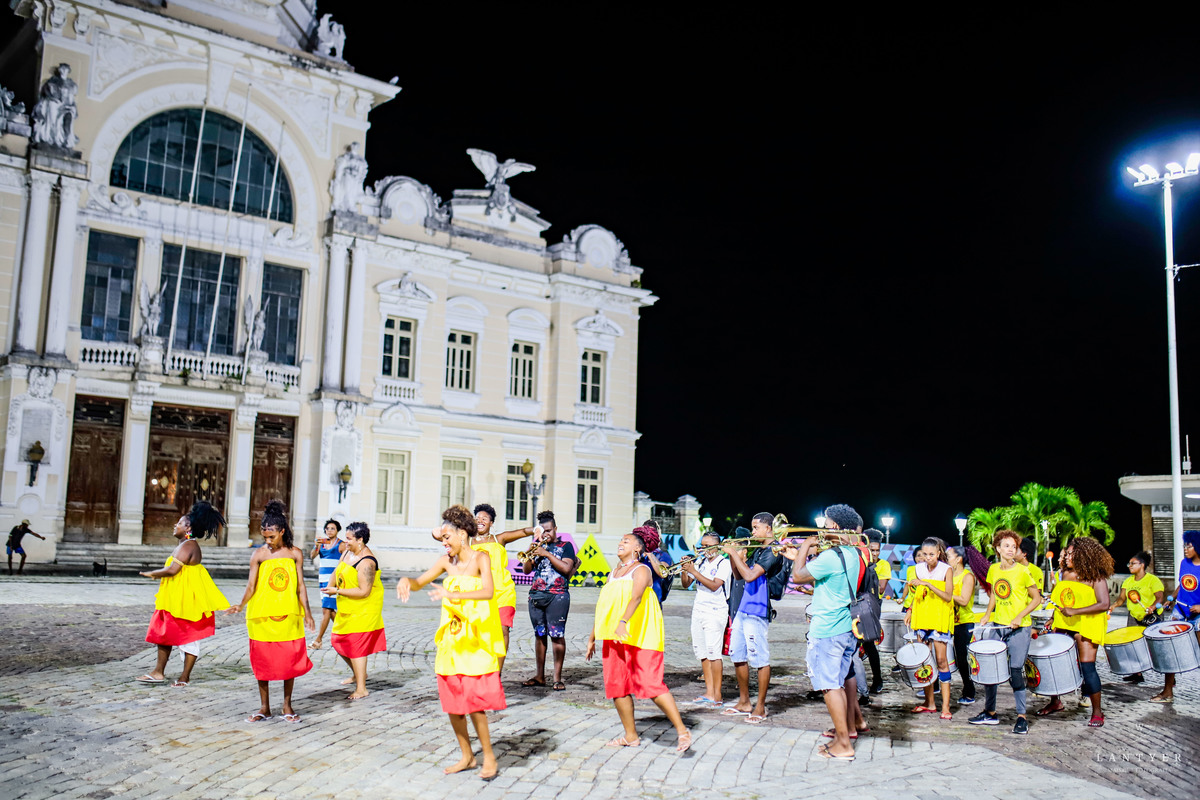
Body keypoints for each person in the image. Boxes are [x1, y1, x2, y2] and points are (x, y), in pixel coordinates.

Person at [397, 505, 505, 780]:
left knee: (474, 701)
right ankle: (467, 756)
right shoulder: (446, 562)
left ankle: (488, 755)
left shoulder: (480, 558)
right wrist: (405, 580)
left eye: (447, 538)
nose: (444, 544)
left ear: (461, 534)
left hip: (475, 641)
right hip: (452, 640)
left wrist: (453, 593)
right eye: (442, 540)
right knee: (454, 703)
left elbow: (489, 591)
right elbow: (420, 581)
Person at [586, 531, 690, 752]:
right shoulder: (613, 574)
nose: (620, 543)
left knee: (650, 684)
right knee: (617, 686)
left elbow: (637, 596)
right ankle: (630, 735)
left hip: (641, 635)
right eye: (620, 539)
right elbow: (604, 606)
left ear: (637, 549)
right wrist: (593, 636)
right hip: (614, 637)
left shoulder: (642, 569)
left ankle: (682, 731)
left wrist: (624, 620)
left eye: (626, 541)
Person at [788, 503, 868, 761]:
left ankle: (843, 744)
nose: (821, 527)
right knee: (838, 685)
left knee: (829, 687)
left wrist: (803, 548)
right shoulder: (852, 554)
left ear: (833, 526)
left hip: (828, 629)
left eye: (825, 523)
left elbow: (798, 576)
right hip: (844, 627)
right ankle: (842, 738)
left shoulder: (832, 556)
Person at [226, 500, 314, 723]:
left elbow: (300, 586)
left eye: (272, 536)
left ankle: (287, 705)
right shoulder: (258, 555)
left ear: (282, 531)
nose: (268, 541)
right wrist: (240, 604)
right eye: (264, 536)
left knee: (289, 661)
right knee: (263, 661)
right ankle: (264, 707)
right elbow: (251, 586)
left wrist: (308, 613)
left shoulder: (295, 553)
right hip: (262, 615)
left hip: (288, 614)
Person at [136, 502, 229, 686]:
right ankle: (158, 672)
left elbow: (172, 570)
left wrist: (153, 573)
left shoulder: (189, 546)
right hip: (175, 597)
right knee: (164, 634)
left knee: (189, 637)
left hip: (186, 600)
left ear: (188, 527)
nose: (175, 525)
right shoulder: (184, 545)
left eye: (179, 523)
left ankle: (184, 677)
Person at [969, 529, 1041, 734]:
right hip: (998, 626)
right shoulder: (993, 569)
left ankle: (1021, 717)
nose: (1011, 549)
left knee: (1016, 671)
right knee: (990, 669)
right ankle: (989, 712)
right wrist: (987, 614)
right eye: (1006, 546)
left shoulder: (1023, 571)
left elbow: (1036, 599)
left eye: (1014, 546)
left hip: (1020, 628)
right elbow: (994, 595)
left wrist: (1019, 617)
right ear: (998, 548)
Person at [1037, 537, 1112, 726]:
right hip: (1064, 623)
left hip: (1087, 625)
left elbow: (1104, 604)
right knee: (1055, 663)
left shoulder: (1095, 576)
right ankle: (1055, 702)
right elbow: (1063, 599)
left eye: (1072, 553)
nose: (1067, 556)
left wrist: (1075, 612)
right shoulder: (1064, 573)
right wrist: (1053, 618)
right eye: (1068, 553)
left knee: (1087, 668)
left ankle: (1097, 712)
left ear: (1084, 555)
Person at [721, 513, 781, 724]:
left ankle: (761, 707)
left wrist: (734, 553)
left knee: (760, 659)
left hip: (758, 610)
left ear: (768, 528)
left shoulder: (773, 550)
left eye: (756, 528)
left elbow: (750, 576)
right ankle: (744, 702)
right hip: (743, 609)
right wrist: (733, 555)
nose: (753, 532)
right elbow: (738, 575)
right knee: (737, 654)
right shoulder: (758, 550)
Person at [466, 503, 538, 674]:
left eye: (484, 518)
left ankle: (497, 672)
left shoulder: (500, 539)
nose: (480, 521)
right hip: (478, 594)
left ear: (491, 523)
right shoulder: (467, 542)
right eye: (477, 518)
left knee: (503, 629)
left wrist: (537, 529)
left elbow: (522, 532)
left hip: (502, 592)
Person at [324, 522, 386, 700]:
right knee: (338, 641)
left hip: (364, 608)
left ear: (360, 540)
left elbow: (363, 591)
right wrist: (330, 586)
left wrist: (337, 591)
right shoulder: (347, 552)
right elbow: (337, 570)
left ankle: (361, 688)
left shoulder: (367, 562)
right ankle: (358, 673)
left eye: (349, 538)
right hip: (347, 605)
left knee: (356, 647)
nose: (346, 541)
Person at [521, 510, 576, 691]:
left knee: (557, 635)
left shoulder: (565, 546)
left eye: (549, 530)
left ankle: (557, 678)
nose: (546, 534)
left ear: (555, 529)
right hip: (536, 595)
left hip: (557, 596)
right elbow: (527, 570)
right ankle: (539, 676)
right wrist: (530, 553)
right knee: (539, 635)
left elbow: (567, 569)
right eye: (543, 531)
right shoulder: (536, 545)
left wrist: (546, 553)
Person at [680, 531, 732, 706]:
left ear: (717, 547)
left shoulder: (723, 563)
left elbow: (714, 585)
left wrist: (693, 570)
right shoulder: (701, 562)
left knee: (713, 653)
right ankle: (709, 692)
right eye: (703, 545)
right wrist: (685, 570)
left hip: (715, 610)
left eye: (708, 546)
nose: (704, 549)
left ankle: (717, 694)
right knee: (702, 652)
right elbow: (686, 584)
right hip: (699, 609)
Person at [907, 537, 955, 720]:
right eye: (924, 554)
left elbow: (948, 596)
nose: (928, 558)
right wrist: (910, 610)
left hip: (940, 619)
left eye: (931, 554)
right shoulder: (918, 569)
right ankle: (929, 703)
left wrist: (928, 584)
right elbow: (917, 593)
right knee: (924, 661)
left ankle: (945, 706)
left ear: (939, 553)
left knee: (941, 661)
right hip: (922, 617)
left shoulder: (946, 569)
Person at [1154, 529, 1200, 703]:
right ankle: (1167, 692)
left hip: (1198, 615)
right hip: (1179, 611)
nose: (1186, 549)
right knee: (1170, 649)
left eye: (1189, 545)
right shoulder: (1184, 563)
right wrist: (1171, 598)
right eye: (1185, 545)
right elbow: (1182, 585)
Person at [1111, 550, 1164, 685]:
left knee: (1156, 645)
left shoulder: (1152, 580)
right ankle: (1137, 674)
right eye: (1129, 563)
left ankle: (1168, 673)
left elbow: (1159, 597)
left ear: (1142, 564)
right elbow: (1122, 598)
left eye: (1133, 563)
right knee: (1132, 643)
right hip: (1134, 615)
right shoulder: (1127, 581)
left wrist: (1152, 607)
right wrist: (1114, 606)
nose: (1130, 565)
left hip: (1152, 616)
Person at [946, 545, 977, 704]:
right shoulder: (948, 575)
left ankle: (970, 691)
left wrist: (946, 594)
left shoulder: (967, 576)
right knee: (952, 659)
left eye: (949, 556)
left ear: (958, 559)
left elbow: (964, 600)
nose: (946, 559)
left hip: (964, 623)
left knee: (963, 659)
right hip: (950, 621)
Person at [309, 519, 344, 650]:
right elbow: (312, 556)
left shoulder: (341, 545)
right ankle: (346, 632)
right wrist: (316, 546)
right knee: (329, 610)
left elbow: (347, 558)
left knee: (326, 610)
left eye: (333, 528)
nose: (330, 531)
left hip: (333, 581)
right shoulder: (322, 544)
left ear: (337, 530)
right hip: (322, 580)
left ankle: (318, 640)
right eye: (328, 528)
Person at [863, 529, 887, 692]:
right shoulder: (860, 561)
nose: (875, 553)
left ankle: (877, 679)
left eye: (877, 550)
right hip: (859, 603)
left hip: (873, 606)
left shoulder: (883, 565)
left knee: (869, 644)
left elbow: (881, 588)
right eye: (872, 549)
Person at [641, 519, 675, 603]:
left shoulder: (663, 555)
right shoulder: (637, 553)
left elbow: (662, 572)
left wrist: (649, 553)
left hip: (654, 600)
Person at [1017, 537, 1044, 626]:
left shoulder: (1036, 571)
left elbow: (1037, 593)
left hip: (1031, 614)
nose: (1012, 551)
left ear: (1024, 554)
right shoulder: (1012, 569)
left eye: (1016, 548)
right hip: (1017, 613)